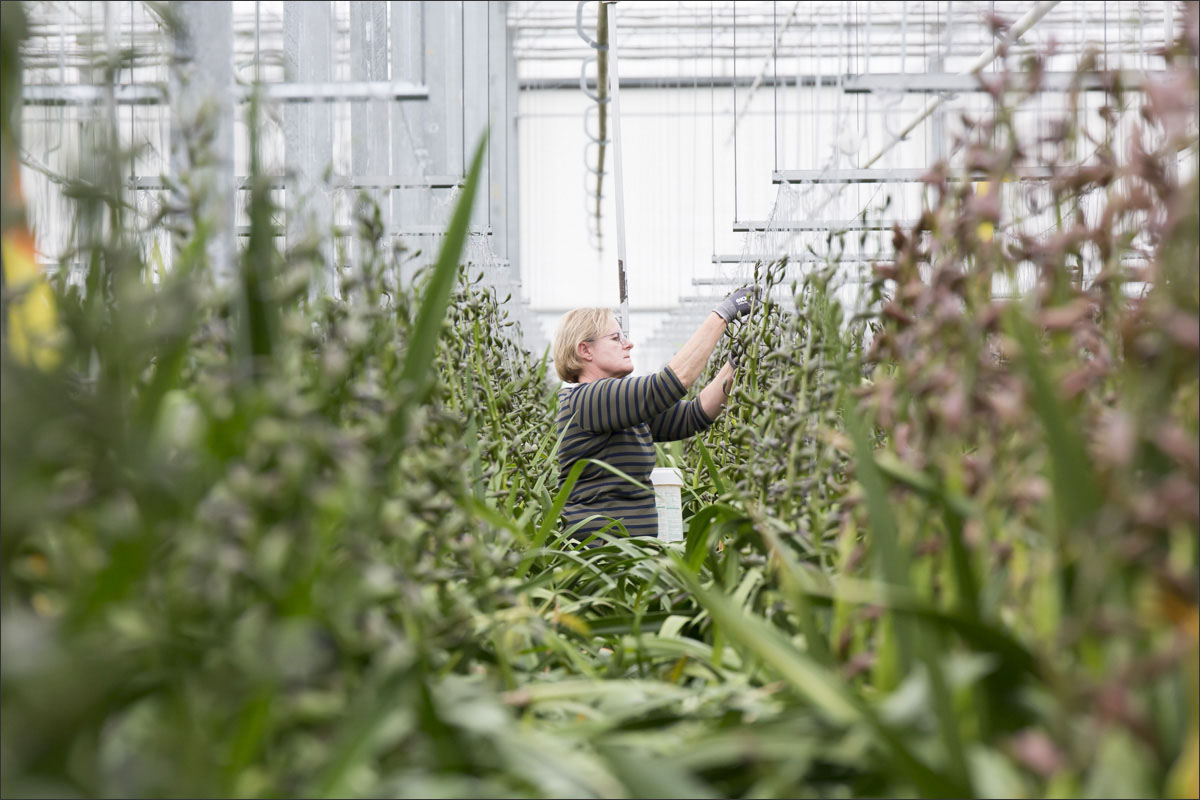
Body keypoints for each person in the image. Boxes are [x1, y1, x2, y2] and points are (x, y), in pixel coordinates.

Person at [551, 287, 755, 542]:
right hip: (601, 561)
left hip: (628, 559)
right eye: (616, 338)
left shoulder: (622, 410)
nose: (628, 343)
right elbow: (671, 383)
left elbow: (693, 416)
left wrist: (736, 363)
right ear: (585, 350)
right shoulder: (585, 401)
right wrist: (723, 314)